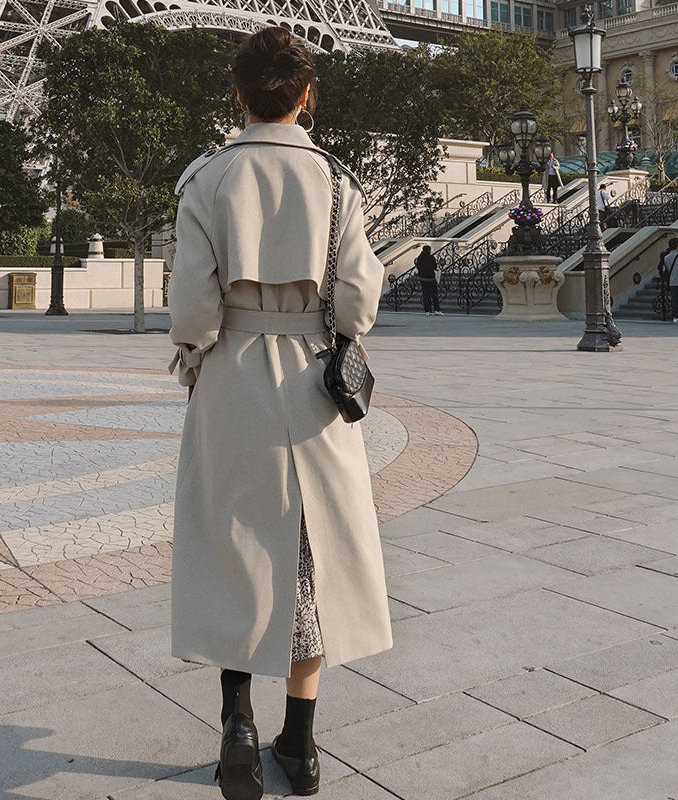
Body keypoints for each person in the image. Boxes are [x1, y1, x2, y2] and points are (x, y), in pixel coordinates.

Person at [167, 27, 392, 800]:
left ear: (238, 94)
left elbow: (192, 307)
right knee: (310, 560)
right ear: (306, 96)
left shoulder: (207, 178)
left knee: (234, 550)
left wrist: (196, 357)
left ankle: (237, 724)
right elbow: (357, 301)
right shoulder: (336, 181)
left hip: (232, 378)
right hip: (313, 386)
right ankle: (302, 745)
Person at [415, 244, 442, 315]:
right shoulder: (431, 257)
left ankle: (427, 310)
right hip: (430, 278)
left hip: (422, 278)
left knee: (426, 295)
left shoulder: (419, 258)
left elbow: (418, 266)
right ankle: (437, 310)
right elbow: (435, 266)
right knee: (434, 294)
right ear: (429, 250)